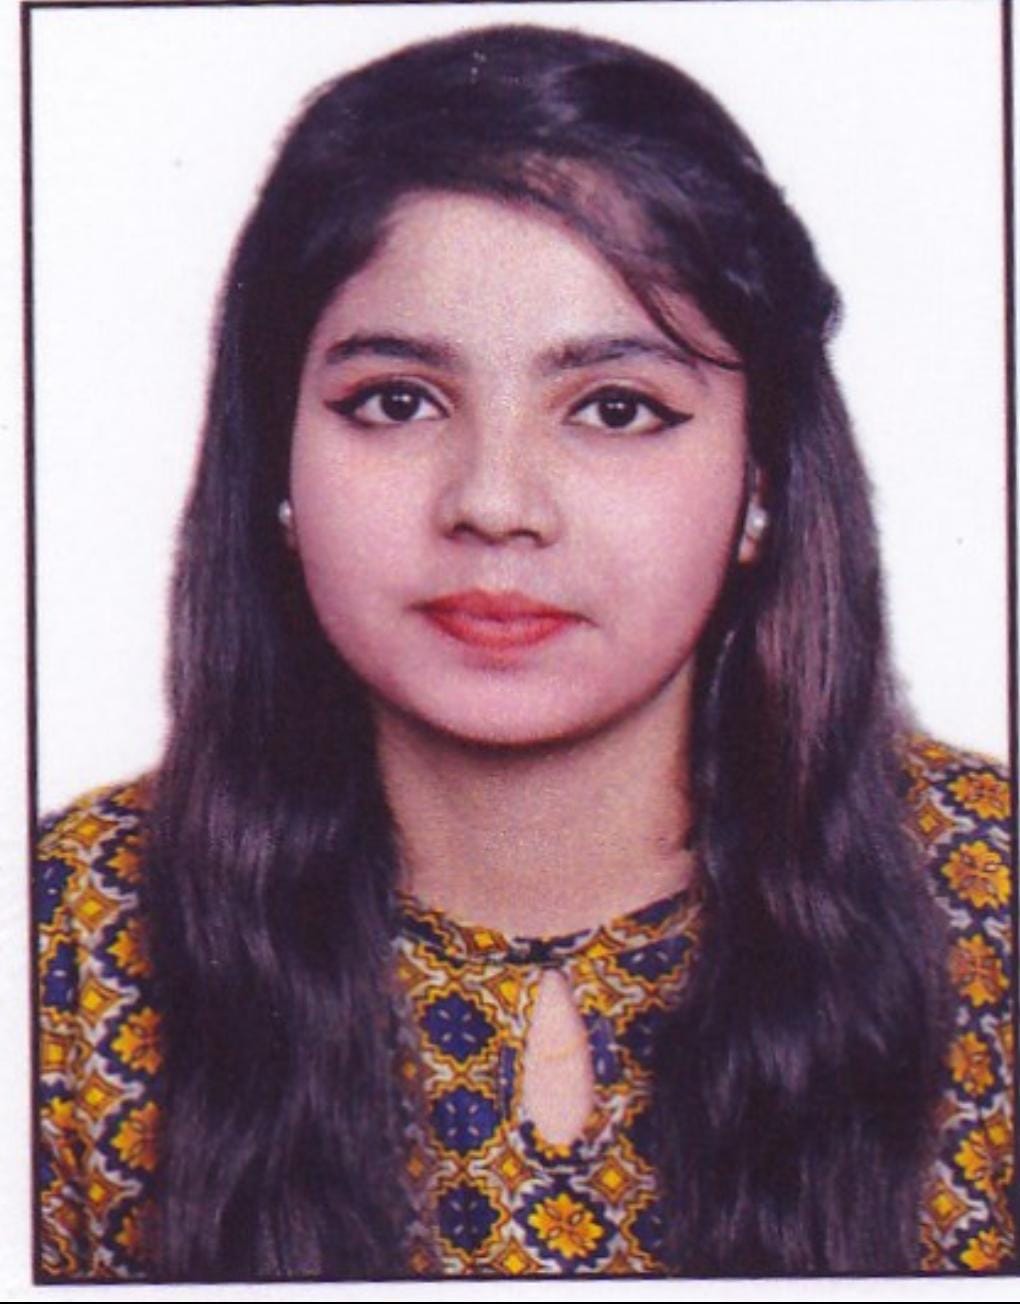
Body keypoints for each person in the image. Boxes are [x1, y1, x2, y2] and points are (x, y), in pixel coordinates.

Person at [36, 23, 1013, 1281]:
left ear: (762, 477)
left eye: (615, 408)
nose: (494, 502)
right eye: (397, 400)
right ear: (273, 454)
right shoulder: (61, 943)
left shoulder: (991, 900)